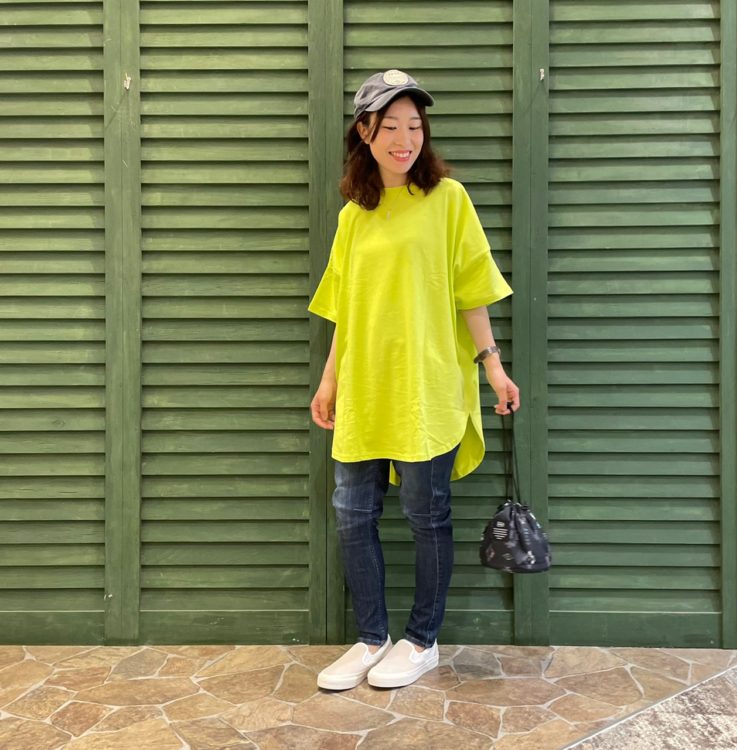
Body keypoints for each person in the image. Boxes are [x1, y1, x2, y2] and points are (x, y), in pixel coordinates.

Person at [308, 69, 520, 691]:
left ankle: (422, 639)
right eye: (391, 127)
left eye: (415, 127)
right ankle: (371, 637)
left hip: (427, 384)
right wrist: (329, 381)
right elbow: (346, 309)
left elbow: (472, 291)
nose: (405, 140)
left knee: (427, 515)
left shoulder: (448, 200)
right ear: (365, 133)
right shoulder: (354, 215)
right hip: (365, 385)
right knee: (353, 514)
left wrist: (493, 365)